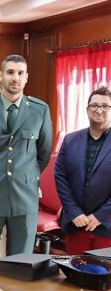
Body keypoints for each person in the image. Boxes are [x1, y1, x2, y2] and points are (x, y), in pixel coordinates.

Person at [0, 54, 53, 268]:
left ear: (26, 78)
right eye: (10, 72)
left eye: (19, 73)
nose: (14, 77)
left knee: (21, 266)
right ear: (1, 76)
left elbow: (43, 152)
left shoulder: (40, 110)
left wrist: (25, 176)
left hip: (24, 197)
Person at [54, 86, 111, 254]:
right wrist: (73, 211)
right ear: (87, 109)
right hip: (76, 223)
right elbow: (60, 177)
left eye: (105, 106)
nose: (99, 110)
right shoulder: (70, 140)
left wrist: (100, 216)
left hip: (107, 225)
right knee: (75, 275)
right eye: (94, 105)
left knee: (105, 277)